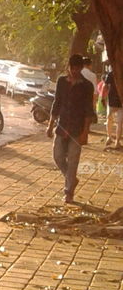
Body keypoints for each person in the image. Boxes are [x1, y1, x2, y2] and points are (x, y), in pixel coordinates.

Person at [47, 54, 95, 203]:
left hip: (77, 128)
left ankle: (68, 191)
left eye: (77, 68)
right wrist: (50, 124)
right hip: (61, 126)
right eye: (72, 68)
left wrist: (85, 133)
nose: (74, 71)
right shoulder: (62, 82)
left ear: (81, 68)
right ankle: (71, 179)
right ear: (69, 67)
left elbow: (88, 110)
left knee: (73, 161)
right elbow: (57, 103)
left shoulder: (87, 86)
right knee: (58, 157)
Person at [104, 66, 123, 150]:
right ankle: (116, 141)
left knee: (109, 119)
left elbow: (105, 87)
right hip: (120, 101)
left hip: (111, 101)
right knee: (119, 122)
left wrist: (104, 97)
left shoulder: (111, 74)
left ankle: (109, 137)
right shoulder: (114, 74)